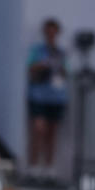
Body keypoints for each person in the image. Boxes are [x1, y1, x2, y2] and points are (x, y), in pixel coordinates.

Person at [27, 18, 68, 175]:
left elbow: (66, 71)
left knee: (52, 133)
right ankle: (33, 166)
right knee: (38, 130)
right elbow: (31, 67)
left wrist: (59, 67)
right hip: (39, 95)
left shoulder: (61, 52)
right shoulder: (38, 50)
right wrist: (44, 64)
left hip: (56, 97)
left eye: (54, 31)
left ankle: (49, 168)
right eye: (48, 31)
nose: (51, 34)